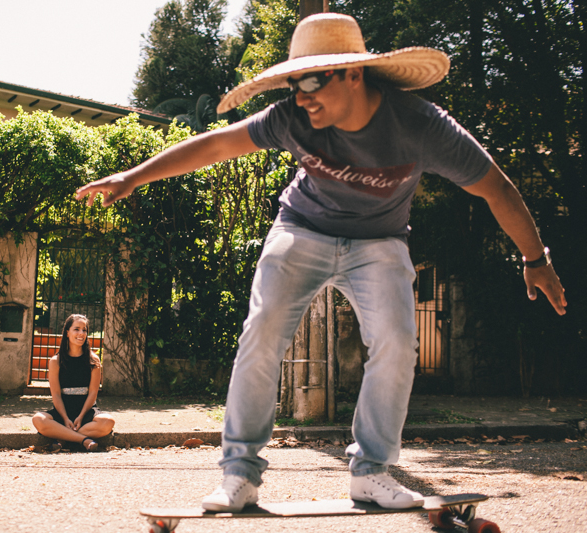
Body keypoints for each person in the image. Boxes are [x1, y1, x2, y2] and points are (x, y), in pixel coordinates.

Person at [76, 13, 566, 510]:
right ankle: (239, 474)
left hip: (380, 242)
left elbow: (495, 187)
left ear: (352, 73)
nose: (302, 97)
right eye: (293, 84)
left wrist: (535, 258)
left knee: (398, 343)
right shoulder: (291, 116)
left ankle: (371, 472)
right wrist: (132, 177)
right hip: (302, 229)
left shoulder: (420, 125)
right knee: (262, 330)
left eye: (311, 82)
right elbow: (220, 143)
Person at [32, 314, 115, 451]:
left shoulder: (93, 360)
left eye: (84, 330)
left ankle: (62, 438)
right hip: (62, 410)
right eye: (76, 329)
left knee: (108, 422)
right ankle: (83, 440)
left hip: (86, 411)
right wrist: (65, 418)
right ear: (67, 332)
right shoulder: (55, 361)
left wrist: (81, 417)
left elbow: (93, 393)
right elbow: (56, 394)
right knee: (38, 419)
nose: (81, 333)